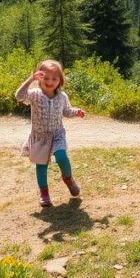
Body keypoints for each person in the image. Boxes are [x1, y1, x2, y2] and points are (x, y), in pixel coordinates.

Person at [14, 60, 85, 207]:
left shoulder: (62, 96)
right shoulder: (35, 94)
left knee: (62, 156)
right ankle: (44, 193)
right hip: (40, 136)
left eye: (54, 79)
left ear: (60, 80)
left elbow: (66, 111)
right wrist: (30, 79)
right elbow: (19, 96)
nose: (50, 82)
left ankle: (68, 179)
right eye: (46, 78)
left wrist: (76, 112)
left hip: (57, 134)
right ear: (39, 77)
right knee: (41, 165)